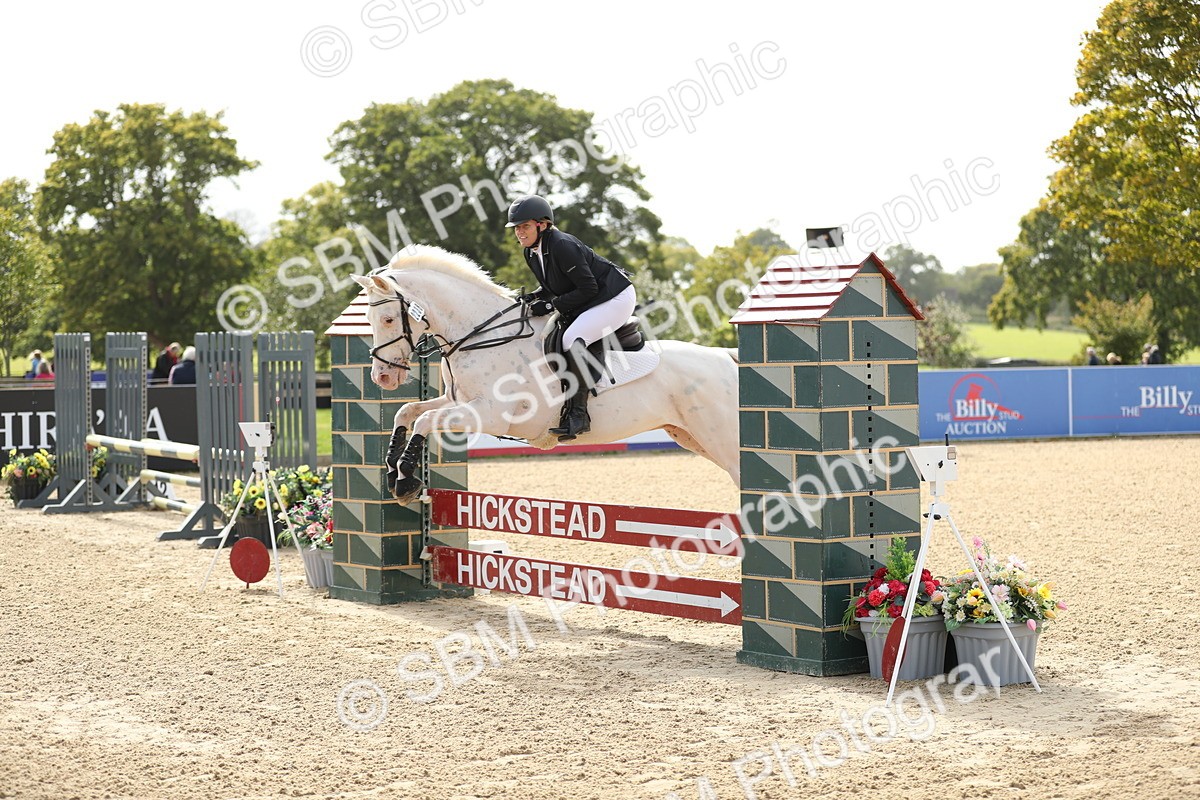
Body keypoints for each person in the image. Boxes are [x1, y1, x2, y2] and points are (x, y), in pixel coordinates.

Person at [506, 194, 636, 441]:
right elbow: (553, 286)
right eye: (517, 228)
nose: (519, 233)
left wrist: (552, 304)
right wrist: (533, 297)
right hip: (593, 297)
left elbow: (588, 289)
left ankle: (579, 414)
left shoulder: (563, 245)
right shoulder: (531, 252)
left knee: (572, 338)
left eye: (524, 226)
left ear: (542, 225)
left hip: (615, 297)